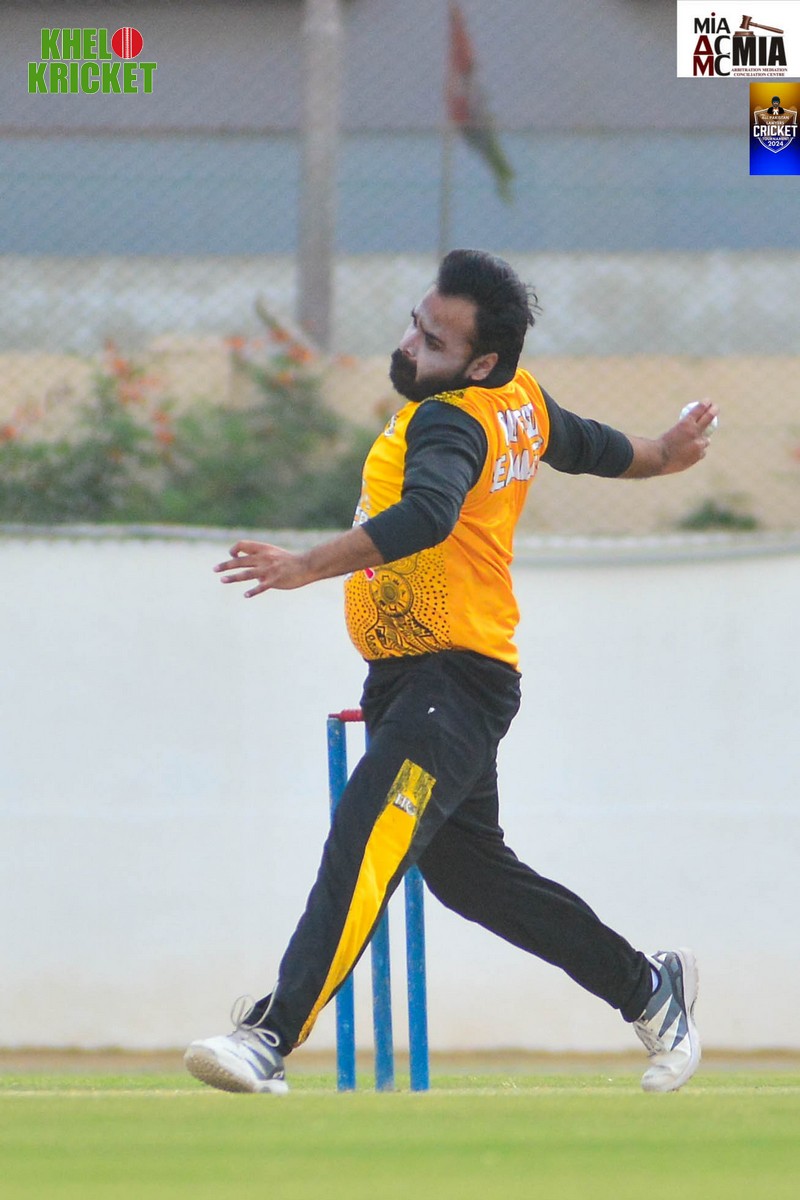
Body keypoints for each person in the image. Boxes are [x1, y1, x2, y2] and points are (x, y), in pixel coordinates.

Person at [185, 249, 718, 1096]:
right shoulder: (521, 399)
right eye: (416, 324)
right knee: (471, 877)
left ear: (479, 363)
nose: (409, 344)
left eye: (434, 341)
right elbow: (599, 448)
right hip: (431, 678)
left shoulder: (450, 420)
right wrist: (665, 450)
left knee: (366, 836)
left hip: (449, 679)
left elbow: (431, 513)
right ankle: (650, 988)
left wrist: (305, 566)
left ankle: (270, 1036)